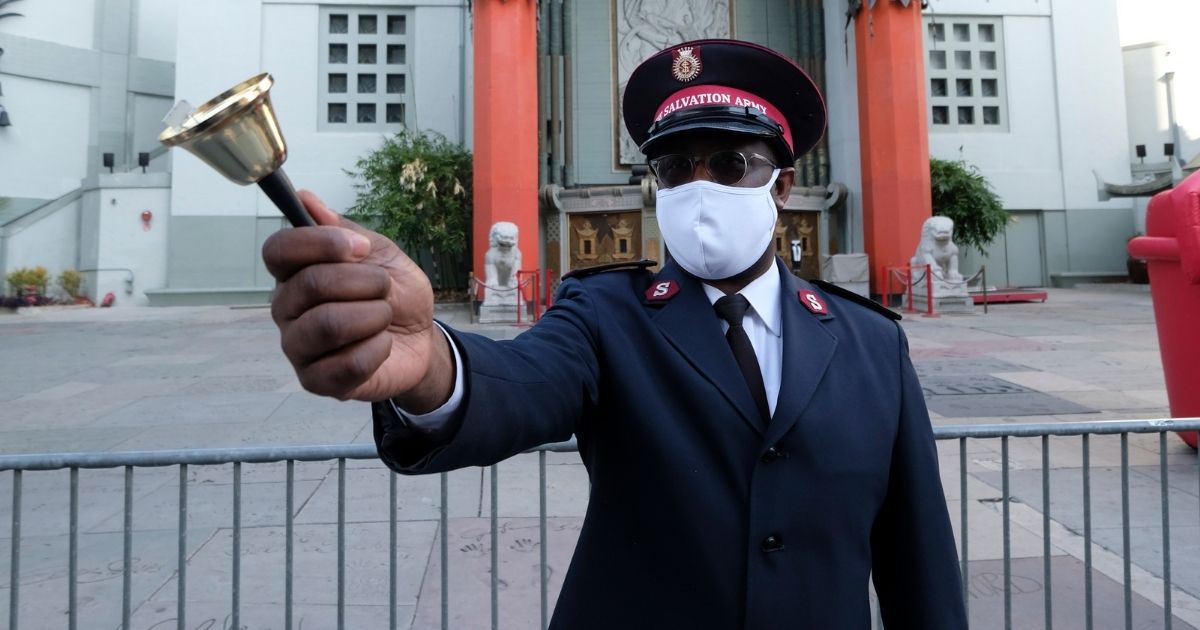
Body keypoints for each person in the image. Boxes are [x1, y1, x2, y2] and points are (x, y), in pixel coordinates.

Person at [263, 39, 967, 630]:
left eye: (729, 164)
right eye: (673, 167)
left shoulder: (871, 342)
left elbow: (918, 560)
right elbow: (524, 385)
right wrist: (429, 368)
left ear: (780, 186)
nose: (699, 185)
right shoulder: (607, 314)